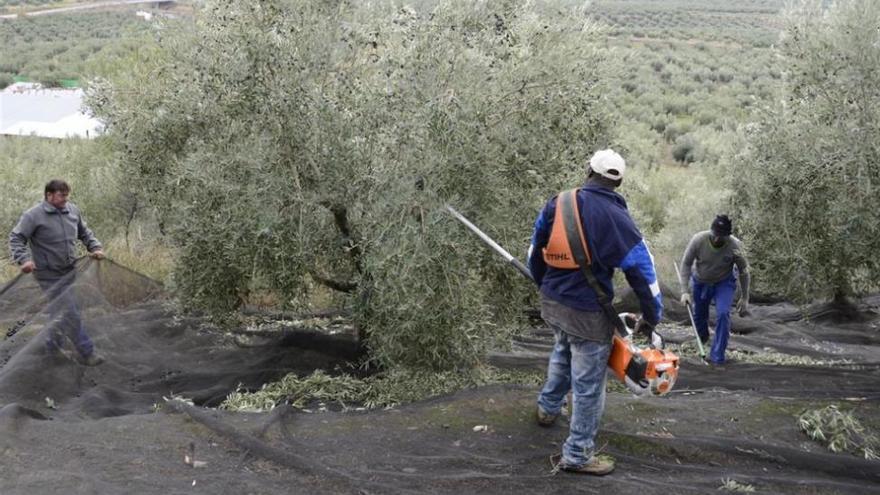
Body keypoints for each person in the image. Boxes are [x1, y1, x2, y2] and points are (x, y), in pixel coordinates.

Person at [527, 149, 663, 475]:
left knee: (562, 349)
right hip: (587, 315)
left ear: (589, 171)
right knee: (588, 386)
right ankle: (577, 455)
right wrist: (652, 315)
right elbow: (643, 272)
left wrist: (544, 284)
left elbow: (535, 250)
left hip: (554, 303)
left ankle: (548, 408)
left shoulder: (558, 202)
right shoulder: (618, 220)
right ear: (619, 182)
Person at [9, 179, 106, 366]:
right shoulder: (33, 215)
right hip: (47, 274)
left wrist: (95, 247)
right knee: (70, 312)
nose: (65, 199)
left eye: (67, 195)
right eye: (62, 195)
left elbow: (84, 232)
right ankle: (87, 352)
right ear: (49, 195)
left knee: (59, 311)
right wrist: (24, 260)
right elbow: (16, 238)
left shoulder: (72, 211)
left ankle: (52, 348)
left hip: (69, 272)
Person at [678, 214, 750, 366]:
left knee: (723, 314)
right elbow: (686, 264)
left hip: (723, 283)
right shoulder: (698, 240)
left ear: (728, 236)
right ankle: (703, 338)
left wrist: (745, 298)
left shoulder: (735, 246)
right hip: (700, 282)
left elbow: (744, 271)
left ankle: (717, 357)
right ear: (711, 230)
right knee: (699, 317)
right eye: (715, 234)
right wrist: (684, 291)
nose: (717, 239)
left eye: (722, 236)